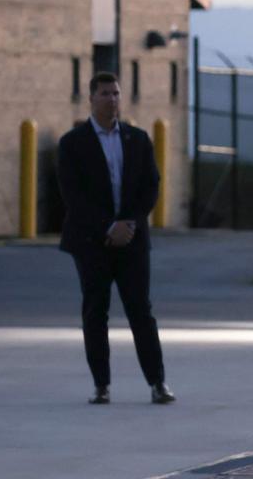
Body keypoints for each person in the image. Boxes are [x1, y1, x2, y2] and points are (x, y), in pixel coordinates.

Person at [57, 71, 175, 404]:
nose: (113, 100)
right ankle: (102, 385)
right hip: (92, 242)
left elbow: (150, 186)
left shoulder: (137, 140)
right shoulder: (73, 143)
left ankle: (158, 383)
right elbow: (73, 196)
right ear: (91, 99)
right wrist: (107, 227)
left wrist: (130, 224)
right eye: (106, 94)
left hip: (132, 240)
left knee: (140, 310)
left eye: (116, 93)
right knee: (96, 311)